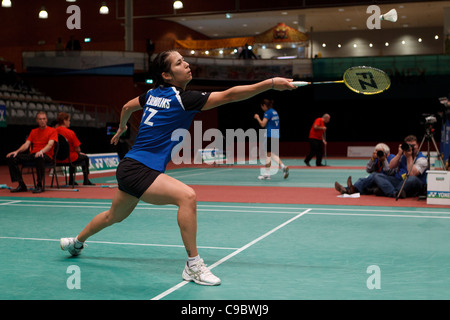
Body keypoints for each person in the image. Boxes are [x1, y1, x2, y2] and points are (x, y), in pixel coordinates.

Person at [60, 50, 296, 286]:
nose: (187, 64)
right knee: (187, 197)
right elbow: (229, 95)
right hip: (140, 168)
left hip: (131, 166)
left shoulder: (151, 94)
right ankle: (193, 266)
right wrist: (271, 83)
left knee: (113, 216)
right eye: (179, 63)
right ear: (167, 75)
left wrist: (122, 127)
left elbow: (125, 107)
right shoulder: (182, 99)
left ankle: (76, 242)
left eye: (184, 60)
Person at [6, 111, 58, 194]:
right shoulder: (33, 131)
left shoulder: (52, 131)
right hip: (34, 155)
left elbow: (50, 145)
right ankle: (21, 184)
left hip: (46, 156)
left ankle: (39, 185)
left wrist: (41, 151)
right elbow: (26, 144)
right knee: (12, 157)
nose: (42, 121)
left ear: (46, 120)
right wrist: (17, 151)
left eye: (44, 119)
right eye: (40, 119)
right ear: (37, 120)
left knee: (39, 157)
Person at [55, 112, 95, 186]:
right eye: (69, 120)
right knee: (84, 158)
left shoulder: (53, 131)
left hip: (56, 158)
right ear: (64, 121)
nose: (69, 122)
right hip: (69, 158)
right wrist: (79, 153)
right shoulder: (70, 132)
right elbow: (78, 149)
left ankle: (71, 181)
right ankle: (85, 180)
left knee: (74, 157)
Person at [254, 98, 289, 180]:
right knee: (271, 154)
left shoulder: (268, 113)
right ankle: (282, 167)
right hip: (276, 134)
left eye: (262, 106)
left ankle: (267, 173)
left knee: (268, 154)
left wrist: (257, 118)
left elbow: (262, 124)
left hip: (270, 134)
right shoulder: (274, 111)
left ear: (264, 105)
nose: (262, 108)